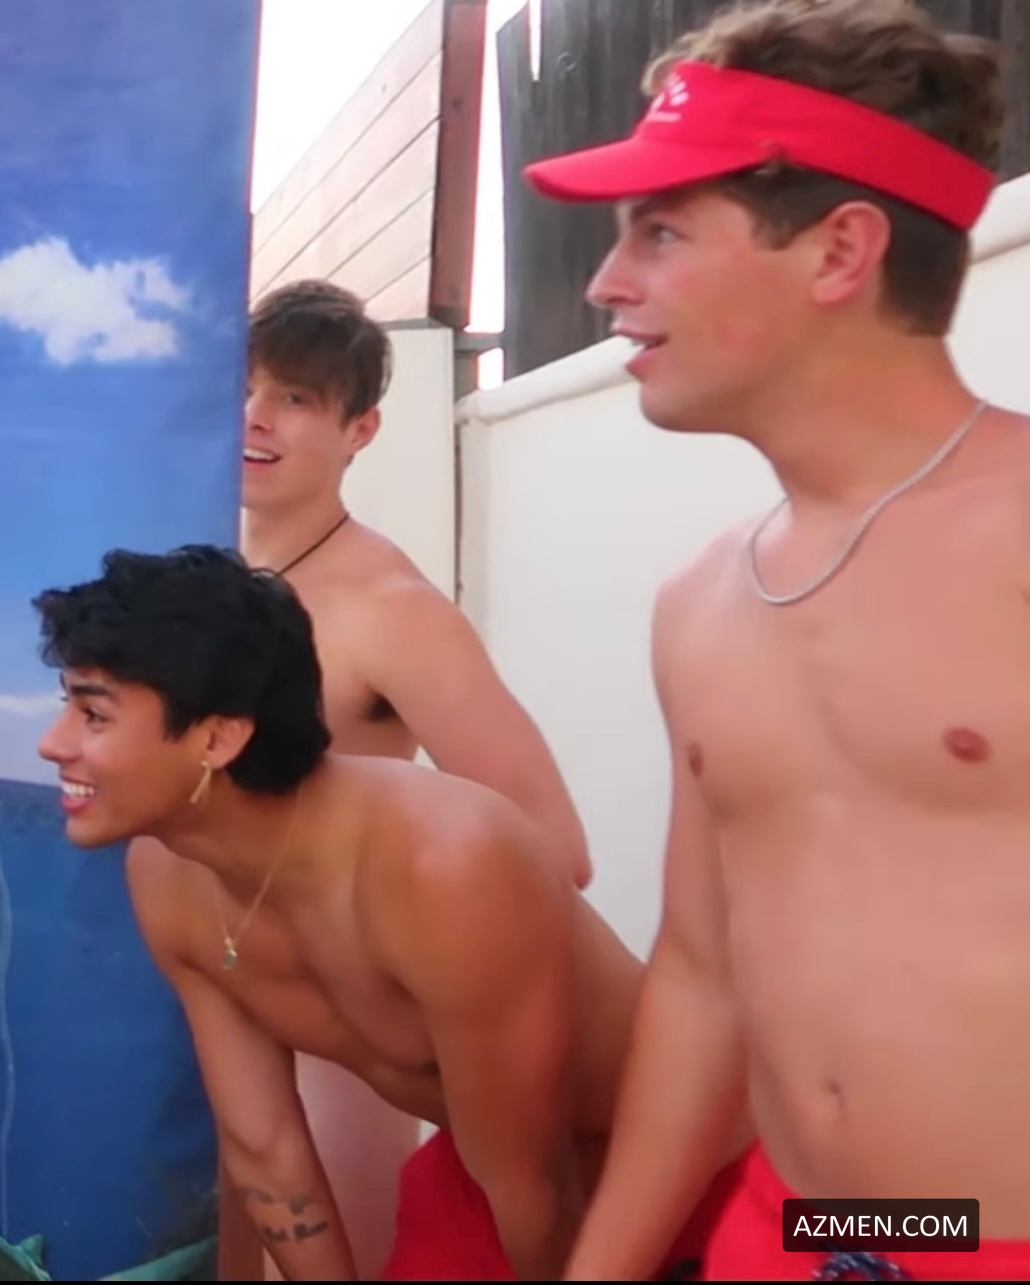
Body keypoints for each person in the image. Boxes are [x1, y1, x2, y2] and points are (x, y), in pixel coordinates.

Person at [521, 0, 1030, 1279]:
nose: (604, 283)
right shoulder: (702, 601)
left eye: (660, 232)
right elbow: (701, 978)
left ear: (839, 250)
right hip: (806, 1234)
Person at [33, 546, 727, 1282]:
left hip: (710, 1177)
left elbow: (537, 1185)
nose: (52, 744)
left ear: (217, 737)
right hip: (492, 1189)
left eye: (93, 714)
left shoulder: (445, 864)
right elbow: (265, 1148)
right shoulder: (167, 872)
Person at [236, 279, 592, 1277]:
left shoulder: (389, 608)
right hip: (203, 978)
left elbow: (552, 845)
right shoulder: (196, 584)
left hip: (335, 1017)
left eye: (295, 398)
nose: (255, 417)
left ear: (361, 429)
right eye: (242, 387)